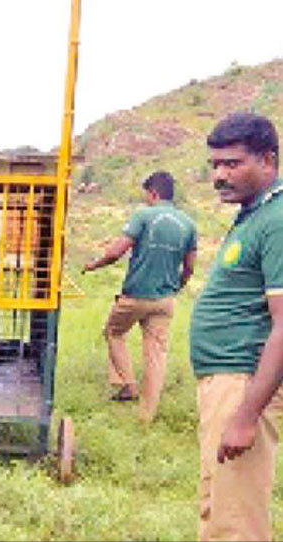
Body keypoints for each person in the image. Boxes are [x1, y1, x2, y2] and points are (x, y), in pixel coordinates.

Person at [191, 112, 283, 541]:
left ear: (268, 160)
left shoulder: (278, 219)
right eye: (215, 165)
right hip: (224, 381)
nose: (220, 175)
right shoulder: (254, 215)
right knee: (218, 509)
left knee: (237, 524)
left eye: (232, 164)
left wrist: (246, 415)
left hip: (242, 382)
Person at [82, 170, 197, 422]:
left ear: (153, 193)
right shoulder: (188, 223)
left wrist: (93, 265)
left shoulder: (143, 215)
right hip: (165, 300)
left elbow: (115, 253)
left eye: (147, 194)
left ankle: (128, 383)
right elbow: (189, 267)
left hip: (135, 295)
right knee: (156, 355)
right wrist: (177, 286)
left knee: (114, 332)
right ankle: (146, 416)